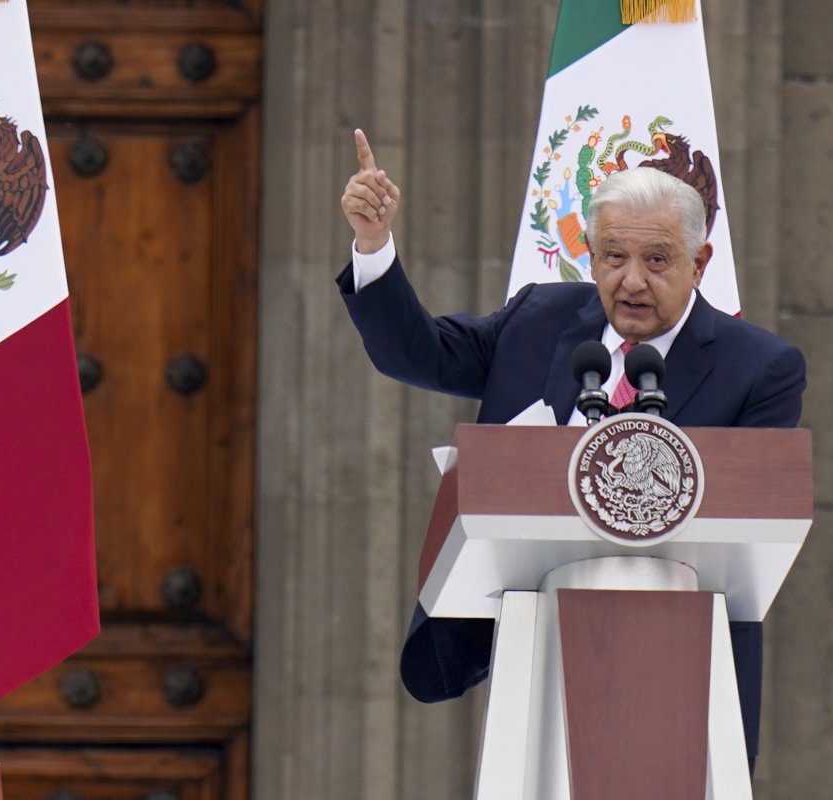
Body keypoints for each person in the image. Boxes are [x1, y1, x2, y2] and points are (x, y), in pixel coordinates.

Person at [337, 128, 805, 773]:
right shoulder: (539, 320)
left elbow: (756, 519)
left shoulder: (761, 368)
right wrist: (372, 244)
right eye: (613, 257)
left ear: (700, 263)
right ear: (589, 257)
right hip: (536, 637)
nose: (632, 282)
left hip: (685, 660)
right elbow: (415, 353)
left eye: (659, 260)